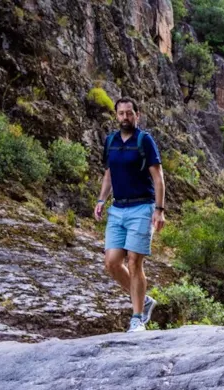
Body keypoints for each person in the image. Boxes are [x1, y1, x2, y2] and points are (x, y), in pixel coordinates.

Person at [93, 97, 166, 333]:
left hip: (142, 208)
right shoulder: (111, 141)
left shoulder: (145, 141)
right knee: (112, 263)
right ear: (116, 116)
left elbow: (158, 178)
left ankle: (137, 318)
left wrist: (159, 210)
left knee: (135, 262)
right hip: (118, 209)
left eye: (129, 113)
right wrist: (101, 199)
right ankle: (144, 301)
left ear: (137, 114)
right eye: (121, 113)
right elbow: (108, 174)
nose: (125, 117)